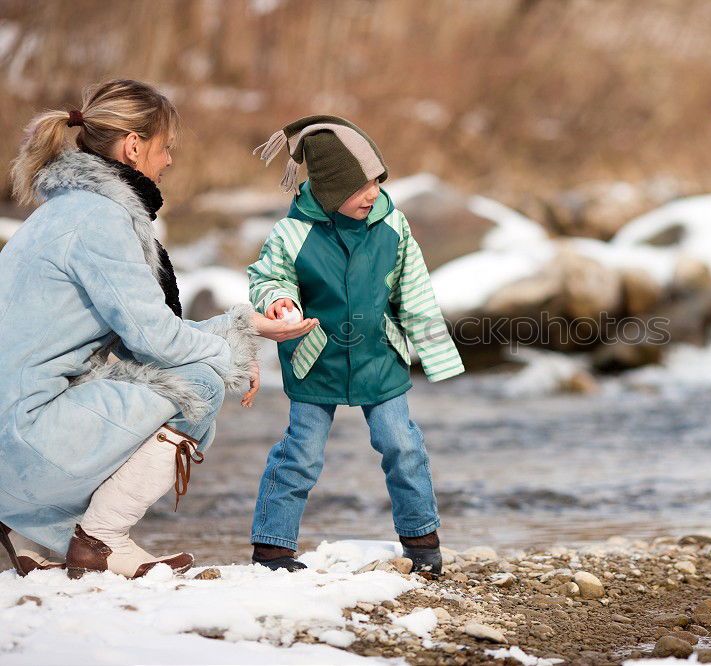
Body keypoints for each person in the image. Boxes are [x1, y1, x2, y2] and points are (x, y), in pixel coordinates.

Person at [0, 79, 317, 579]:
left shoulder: (59, 212)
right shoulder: (100, 220)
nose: (169, 161)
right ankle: (100, 540)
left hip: (13, 437)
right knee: (202, 385)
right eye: (165, 147)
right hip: (25, 444)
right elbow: (156, 341)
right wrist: (232, 349)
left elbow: (141, 337)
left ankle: (30, 535)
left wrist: (242, 329)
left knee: (189, 371)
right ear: (133, 146)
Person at [247, 115, 464, 577]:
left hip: (377, 357)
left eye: (377, 181)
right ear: (329, 189)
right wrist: (279, 299)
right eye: (361, 185)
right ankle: (272, 549)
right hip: (315, 358)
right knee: (300, 454)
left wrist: (438, 355)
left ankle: (422, 541)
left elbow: (414, 289)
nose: (373, 193)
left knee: (401, 444)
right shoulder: (292, 233)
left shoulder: (393, 227)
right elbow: (267, 275)